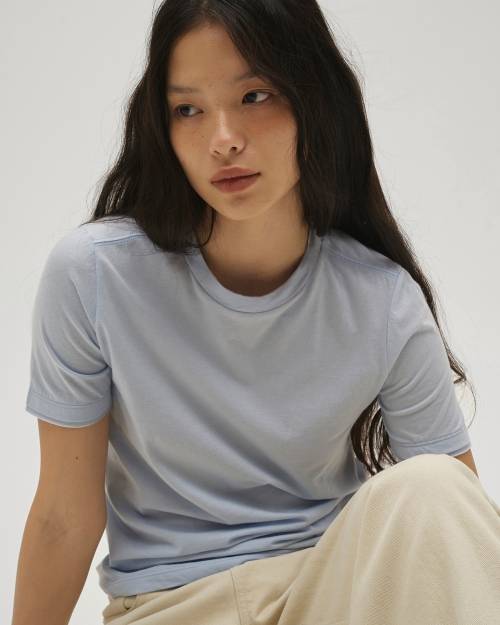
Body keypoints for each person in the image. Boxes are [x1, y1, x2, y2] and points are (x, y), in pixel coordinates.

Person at [12, 1, 500, 624]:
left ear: (313, 102)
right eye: (188, 109)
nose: (224, 139)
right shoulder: (95, 276)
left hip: (330, 596)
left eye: (254, 96)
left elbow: (459, 532)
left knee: (436, 485)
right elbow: (63, 516)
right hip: (171, 609)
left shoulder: (382, 300)